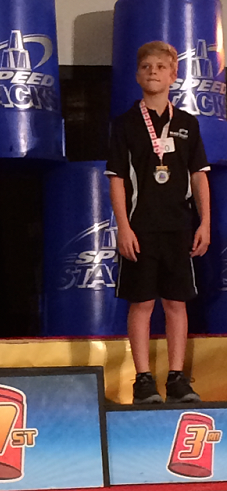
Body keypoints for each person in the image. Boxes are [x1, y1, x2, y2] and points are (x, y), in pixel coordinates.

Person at [106, 41, 210, 404]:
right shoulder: (125, 124)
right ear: (137, 75)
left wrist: (205, 223)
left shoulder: (187, 124)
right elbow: (117, 178)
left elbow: (199, 176)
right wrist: (123, 226)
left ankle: (178, 378)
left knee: (176, 303)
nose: (153, 72)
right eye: (146, 66)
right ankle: (143, 379)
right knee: (141, 302)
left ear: (173, 75)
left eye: (161, 67)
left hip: (179, 227)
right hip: (140, 227)